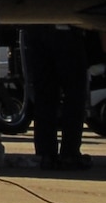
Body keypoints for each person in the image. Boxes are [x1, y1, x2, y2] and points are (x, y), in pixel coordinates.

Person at [21, 24, 94, 171]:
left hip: (36, 31)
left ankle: (45, 154)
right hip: (66, 32)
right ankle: (69, 154)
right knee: (74, 97)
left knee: (44, 98)